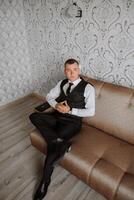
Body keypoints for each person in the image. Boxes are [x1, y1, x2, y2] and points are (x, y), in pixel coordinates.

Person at [29, 58, 95, 200]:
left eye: (75, 70)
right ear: (64, 71)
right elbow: (49, 96)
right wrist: (56, 106)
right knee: (34, 116)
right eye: (68, 70)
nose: (71, 73)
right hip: (56, 117)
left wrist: (70, 110)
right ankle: (58, 141)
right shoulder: (62, 83)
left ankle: (45, 181)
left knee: (53, 149)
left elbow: (91, 112)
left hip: (72, 123)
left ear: (79, 69)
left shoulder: (88, 88)